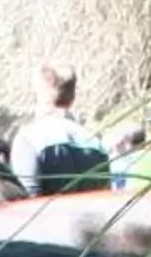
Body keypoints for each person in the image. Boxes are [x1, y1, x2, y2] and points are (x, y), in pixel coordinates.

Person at [7, 65, 111, 195]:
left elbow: (26, 204)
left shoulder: (29, 139)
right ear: (72, 98)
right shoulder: (96, 143)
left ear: (40, 95)